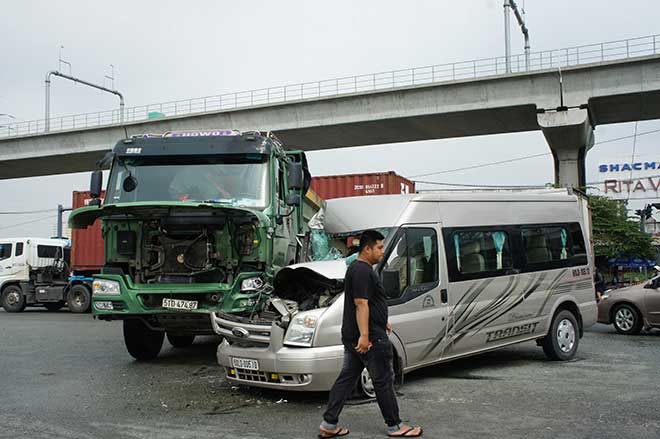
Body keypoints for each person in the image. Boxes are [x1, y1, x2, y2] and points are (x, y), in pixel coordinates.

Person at [318, 230, 423, 438]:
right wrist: (365, 336)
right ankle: (395, 426)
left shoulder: (358, 269)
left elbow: (369, 302)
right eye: (379, 247)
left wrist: (383, 321)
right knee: (383, 380)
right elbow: (361, 304)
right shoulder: (362, 271)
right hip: (369, 338)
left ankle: (329, 424)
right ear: (367, 249)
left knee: (347, 378)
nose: (382, 252)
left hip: (358, 334)